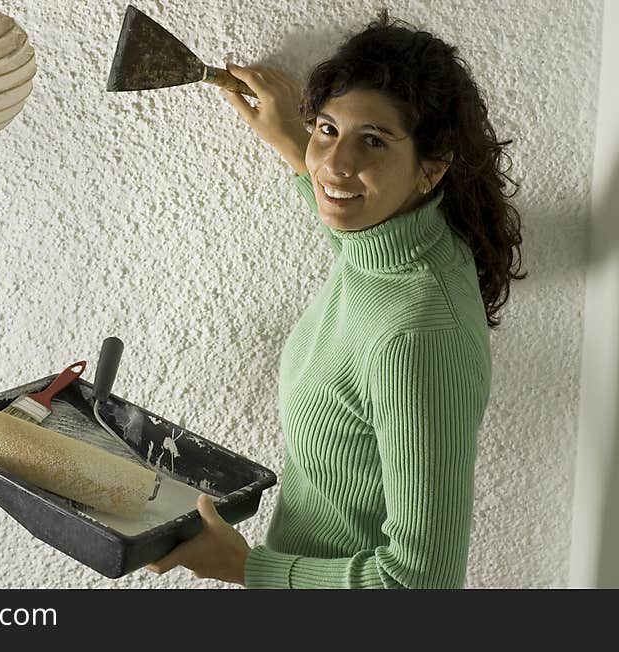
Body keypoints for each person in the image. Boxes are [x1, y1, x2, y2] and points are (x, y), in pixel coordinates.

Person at [145, 10, 526, 588]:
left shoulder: (415, 335)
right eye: (328, 128)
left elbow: (420, 584)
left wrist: (246, 567)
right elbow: (352, 224)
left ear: (431, 169)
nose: (336, 163)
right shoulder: (399, 243)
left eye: (372, 141)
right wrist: (294, 142)